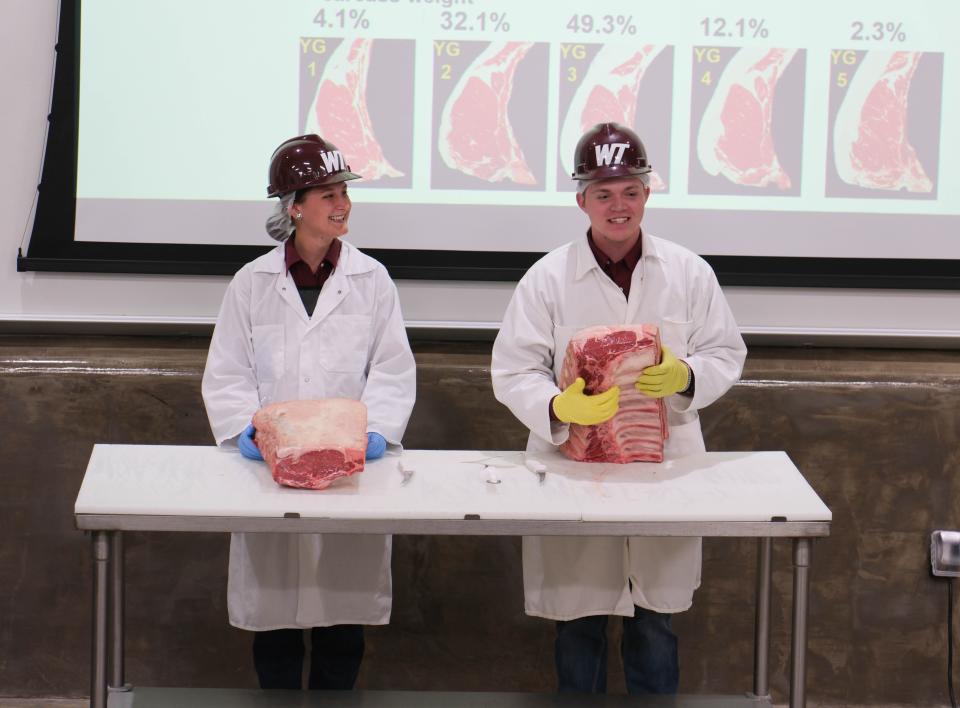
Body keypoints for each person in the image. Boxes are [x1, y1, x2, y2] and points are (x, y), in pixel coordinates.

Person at [491, 122, 746, 694]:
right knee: (578, 625)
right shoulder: (546, 279)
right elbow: (511, 369)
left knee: (656, 625)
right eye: (603, 193)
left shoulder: (688, 272)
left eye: (630, 191)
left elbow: (726, 352)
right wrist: (559, 407)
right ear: (581, 199)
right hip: (576, 471)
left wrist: (688, 377)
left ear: (648, 193)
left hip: (664, 471)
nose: (618, 206)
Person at [202, 134, 416, 690]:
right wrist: (248, 432)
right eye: (327, 193)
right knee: (274, 629)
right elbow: (227, 373)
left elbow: (393, 370)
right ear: (294, 205)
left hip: (349, 476)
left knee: (342, 627)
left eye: (344, 190)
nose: (342, 202)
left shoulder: (372, 281)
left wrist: (377, 433)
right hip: (270, 477)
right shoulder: (252, 283)